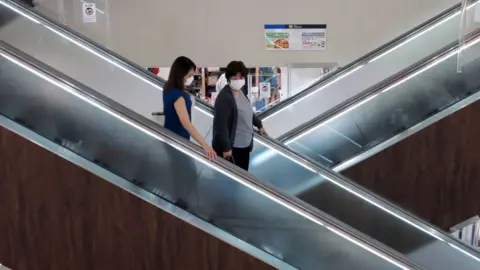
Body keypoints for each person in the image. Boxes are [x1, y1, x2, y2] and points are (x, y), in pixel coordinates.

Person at [212, 61, 267, 171]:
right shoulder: (225, 97)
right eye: (235, 77)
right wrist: (226, 148)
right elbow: (221, 126)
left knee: (243, 174)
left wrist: (259, 125)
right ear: (228, 78)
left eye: (240, 77)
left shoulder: (241, 92)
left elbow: (248, 112)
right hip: (233, 148)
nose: (238, 80)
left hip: (245, 145)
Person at [163, 56, 216, 160]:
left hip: (171, 138)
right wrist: (204, 144)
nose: (191, 78)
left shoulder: (168, 90)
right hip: (179, 141)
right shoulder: (179, 96)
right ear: (181, 74)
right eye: (190, 75)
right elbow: (185, 122)